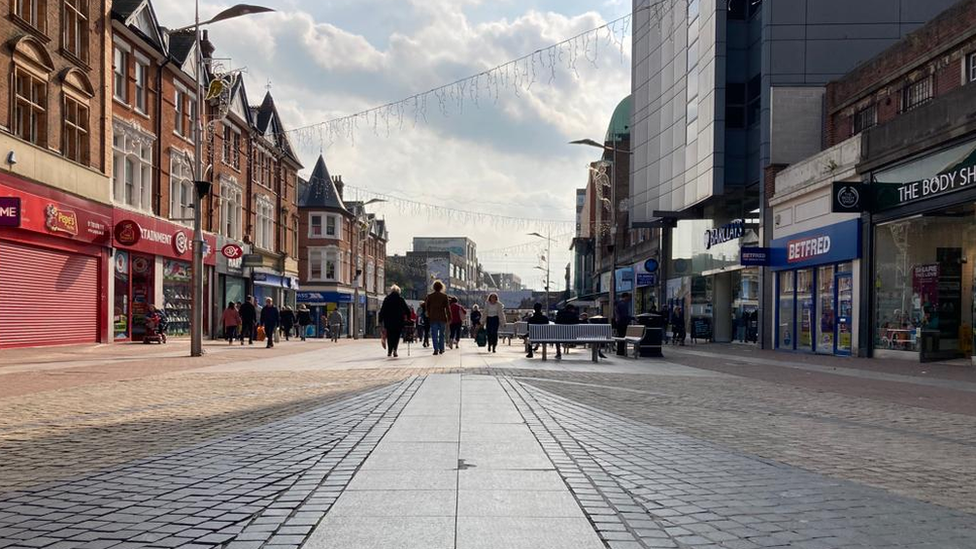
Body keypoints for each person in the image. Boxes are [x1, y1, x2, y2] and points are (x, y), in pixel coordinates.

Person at [379, 285, 411, 358]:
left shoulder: (387, 299)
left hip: (388, 321)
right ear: (398, 291)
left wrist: (380, 320)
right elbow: (407, 310)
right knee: (396, 336)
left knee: (390, 336)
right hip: (399, 321)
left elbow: (382, 310)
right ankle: (395, 350)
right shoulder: (401, 299)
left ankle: (389, 351)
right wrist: (408, 318)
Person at [424, 280, 451, 355]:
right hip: (442, 317)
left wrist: (428, 314)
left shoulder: (430, 296)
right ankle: (441, 348)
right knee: (442, 334)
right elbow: (448, 308)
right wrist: (449, 317)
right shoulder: (444, 296)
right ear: (441, 287)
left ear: (434, 287)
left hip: (433, 318)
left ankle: (436, 349)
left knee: (434, 334)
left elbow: (426, 307)